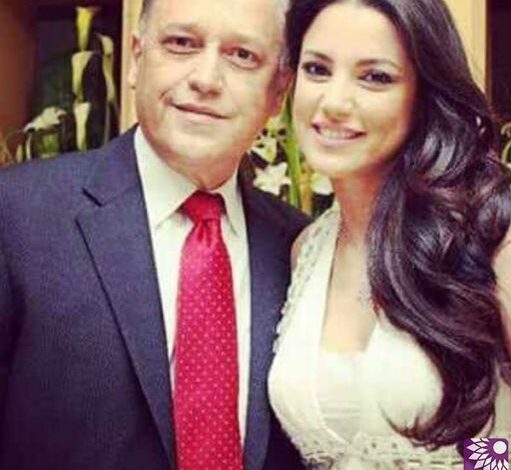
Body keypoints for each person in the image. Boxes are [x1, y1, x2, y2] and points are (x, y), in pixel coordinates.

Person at [268, 0, 511, 468]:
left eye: (375, 77)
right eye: (317, 69)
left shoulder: (497, 227)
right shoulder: (308, 250)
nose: (335, 102)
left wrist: (478, 464)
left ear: (424, 94)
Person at [0, 0, 307, 468]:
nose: (207, 79)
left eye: (242, 55)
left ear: (279, 92)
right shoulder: (17, 214)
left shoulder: (303, 249)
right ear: (137, 58)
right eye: (181, 43)